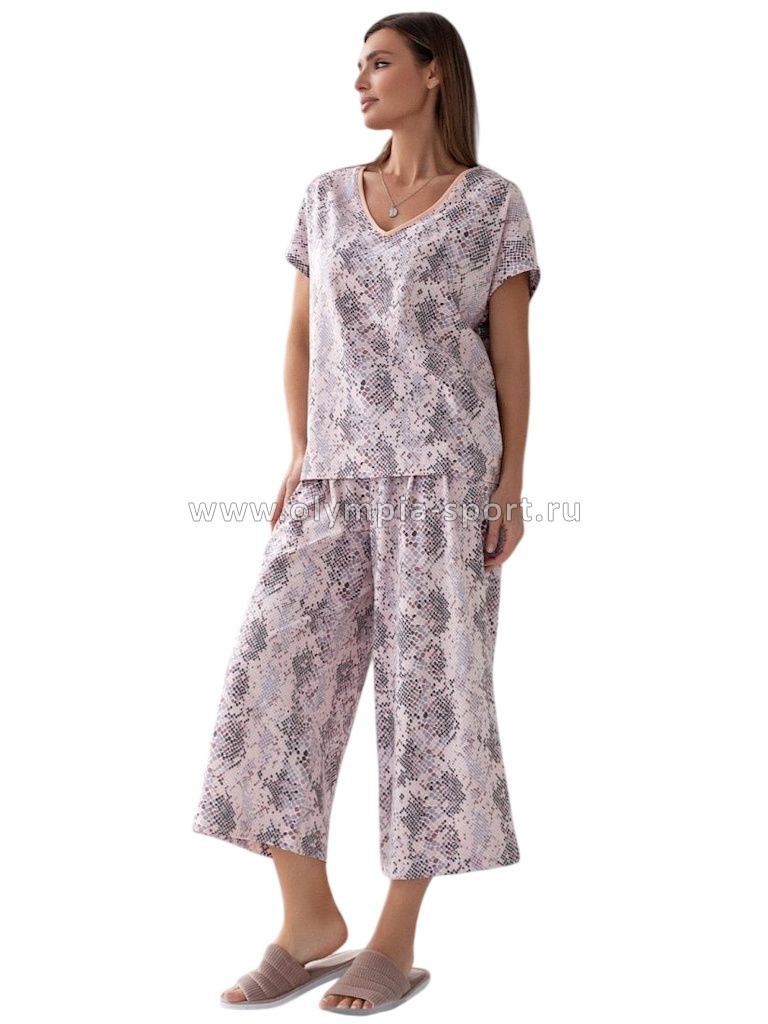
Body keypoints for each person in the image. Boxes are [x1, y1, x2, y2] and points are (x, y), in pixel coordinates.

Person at [192, 11, 541, 1014]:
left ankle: (395, 938)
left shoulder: (492, 205)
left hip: (444, 482)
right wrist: (300, 451)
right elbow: (302, 339)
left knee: (432, 702)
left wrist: (511, 485)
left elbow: (511, 360)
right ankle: (308, 920)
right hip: (335, 478)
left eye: (380, 63)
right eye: (358, 65)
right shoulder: (325, 197)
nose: (360, 80)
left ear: (433, 75)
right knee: (269, 680)